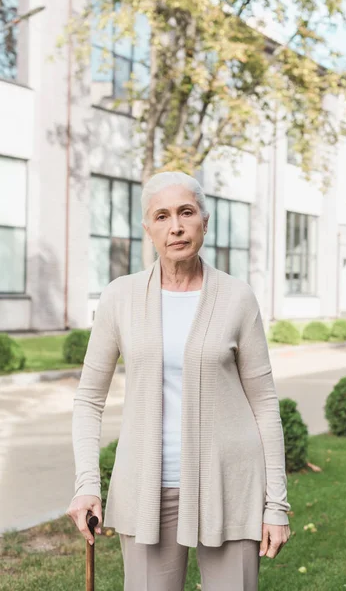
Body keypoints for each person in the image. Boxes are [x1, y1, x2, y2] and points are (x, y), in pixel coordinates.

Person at [66, 171, 291, 591]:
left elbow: (264, 403)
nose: (176, 226)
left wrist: (275, 504)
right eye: (162, 215)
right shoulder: (120, 297)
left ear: (205, 221)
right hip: (147, 489)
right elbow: (88, 400)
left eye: (186, 212)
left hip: (230, 485)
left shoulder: (237, 297)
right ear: (147, 228)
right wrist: (86, 485)